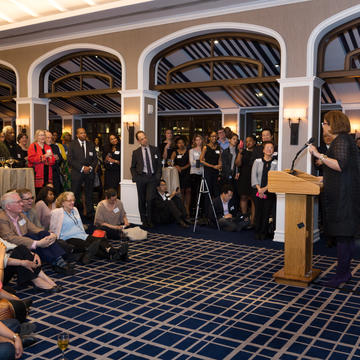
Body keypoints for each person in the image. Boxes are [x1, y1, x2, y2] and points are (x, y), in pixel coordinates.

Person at [309, 110, 360, 288]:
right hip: (345, 195)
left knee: (344, 237)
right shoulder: (345, 141)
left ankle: (342, 275)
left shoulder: (342, 140)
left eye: (325, 122)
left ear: (334, 123)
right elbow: (344, 169)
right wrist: (322, 178)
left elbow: (339, 165)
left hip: (344, 199)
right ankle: (344, 272)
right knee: (345, 238)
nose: (323, 125)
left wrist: (318, 154)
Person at [0, 191, 73, 275]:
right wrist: (37, 243)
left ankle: (58, 261)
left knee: (43, 234)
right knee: (33, 237)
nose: (22, 204)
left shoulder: (21, 215)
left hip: (26, 242)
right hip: (14, 247)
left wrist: (50, 235)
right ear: (8, 206)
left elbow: (34, 229)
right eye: (18, 202)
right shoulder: (2, 218)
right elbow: (11, 238)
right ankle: (59, 262)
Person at [50, 192, 126, 263]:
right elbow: (53, 228)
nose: (72, 202)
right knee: (90, 245)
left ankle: (113, 252)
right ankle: (116, 254)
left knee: (99, 240)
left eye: (73, 200)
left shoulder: (75, 210)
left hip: (81, 235)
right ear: (63, 202)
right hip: (68, 238)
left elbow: (79, 224)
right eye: (69, 201)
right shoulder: (57, 212)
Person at [130, 131, 162, 228]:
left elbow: (159, 164)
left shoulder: (155, 149)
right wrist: (136, 178)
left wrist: (158, 176)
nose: (144, 140)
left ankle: (150, 220)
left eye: (145, 137)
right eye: (142, 139)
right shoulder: (136, 152)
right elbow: (132, 167)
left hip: (152, 178)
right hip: (141, 178)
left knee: (150, 199)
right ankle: (144, 221)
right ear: (138, 141)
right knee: (142, 200)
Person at [67, 128, 98, 219]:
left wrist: (90, 168)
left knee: (89, 194)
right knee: (75, 194)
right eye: (81, 133)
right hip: (77, 173)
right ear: (77, 135)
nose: (83, 134)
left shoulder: (90, 144)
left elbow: (95, 159)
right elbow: (70, 160)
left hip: (89, 173)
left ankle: (90, 214)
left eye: (84, 133)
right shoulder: (72, 145)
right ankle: (75, 214)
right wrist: (82, 168)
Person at [251, 141, 278, 240]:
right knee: (258, 211)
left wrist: (265, 189)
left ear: (273, 151)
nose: (269, 149)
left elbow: (275, 179)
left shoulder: (276, 163)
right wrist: (259, 189)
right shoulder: (257, 161)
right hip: (257, 190)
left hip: (269, 191)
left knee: (266, 213)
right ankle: (257, 231)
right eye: (267, 147)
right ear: (263, 150)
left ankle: (264, 232)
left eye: (271, 148)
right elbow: (254, 176)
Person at [236, 135, 256, 228]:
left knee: (253, 199)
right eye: (247, 141)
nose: (248, 143)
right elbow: (237, 164)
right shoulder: (242, 152)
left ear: (254, 142)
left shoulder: (257, 152)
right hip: (244, 176)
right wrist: (240, 153)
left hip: (254, 177)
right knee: (243, 197)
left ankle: (252, 221)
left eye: (250, 141)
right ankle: (245, 218)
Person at [27, 130, 55, 195]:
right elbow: (31, 159)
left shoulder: (47, 147)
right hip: (37, 174)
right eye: (40, 135)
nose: (42, 137)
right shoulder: (33, 146)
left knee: (47, 194)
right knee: (38, 194)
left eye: (43, 135)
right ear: (37, 137)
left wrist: (46, 159)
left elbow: (52, 161)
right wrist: (44, 157)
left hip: (47, 174)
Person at [170, 137, 191, 217]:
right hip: (178, 174)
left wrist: (182, 168)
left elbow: (190, 163)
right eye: (179, 143)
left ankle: (187, 208)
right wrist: (176, 166)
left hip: (187, 172)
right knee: (181, 191)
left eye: (182, 142)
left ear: (184, 143)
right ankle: (182, 209)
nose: (180, 144)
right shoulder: (175, 152)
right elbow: (170, 162)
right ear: (177, 144)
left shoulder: (188, 151)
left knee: (188, 191)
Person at [200, 131, 221, 201]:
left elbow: (220, 159)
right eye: (212, 136)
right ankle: (208, 210)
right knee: (208, 191)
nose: (214, 138)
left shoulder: (219, 147)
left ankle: (216, 210)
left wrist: (220, 165)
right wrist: (212, 166)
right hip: (208, 171)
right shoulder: (205, 147)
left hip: (216, 172)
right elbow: (201, 160)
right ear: (209, 138)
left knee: (216, 191)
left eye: (215, 136)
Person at [189, 134, 204, 217]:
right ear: (194, 141)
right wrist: (202, 162)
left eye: (200, 139)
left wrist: (198, 162)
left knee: (201, 194)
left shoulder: (204, 149)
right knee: (194, 193)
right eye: (197, 140)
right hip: (194, 174)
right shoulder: (192, 151)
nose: (198, 141)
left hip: (203, 174)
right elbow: (192, 163)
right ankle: (193, 212)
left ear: (202, 140)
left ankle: (201, 212)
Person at [45, 131, 63, 196]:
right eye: (48, 138)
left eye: (51, 138)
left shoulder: (55, 147)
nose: (50, 139)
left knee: (56, 193)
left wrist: (58, 158)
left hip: (55, 174)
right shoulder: (40, 147)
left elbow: (61, 159)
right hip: (45, 174)